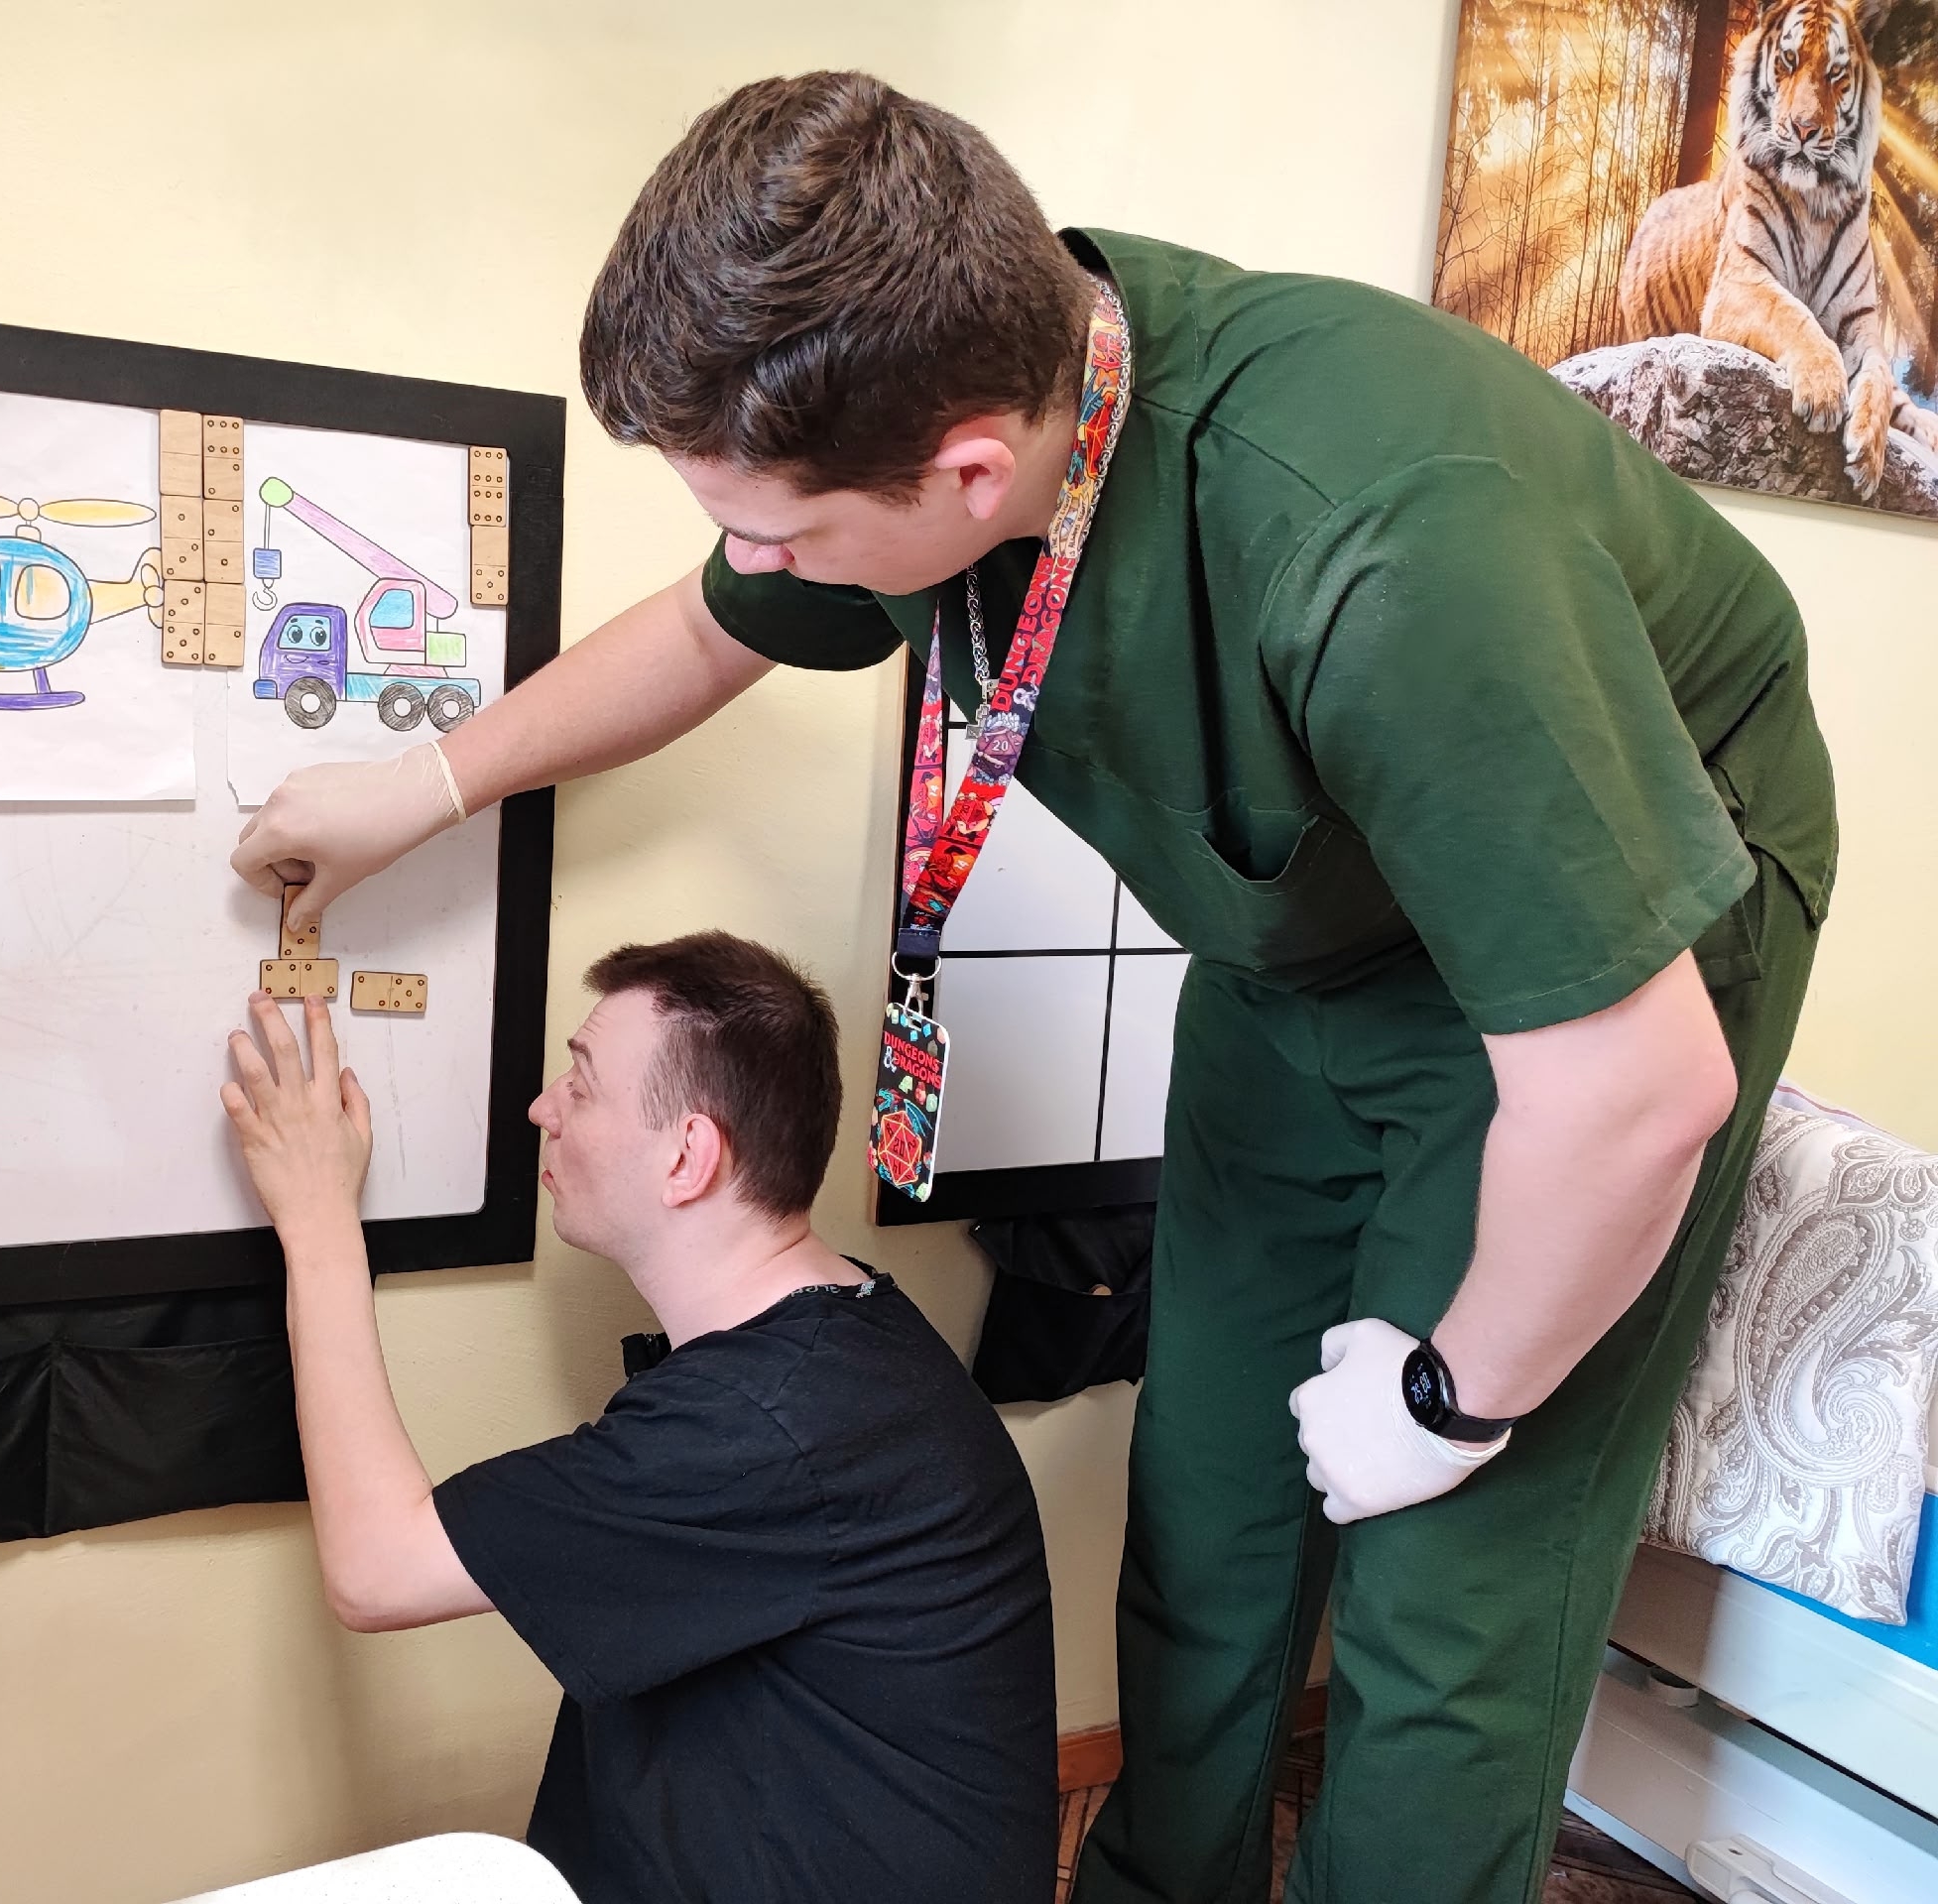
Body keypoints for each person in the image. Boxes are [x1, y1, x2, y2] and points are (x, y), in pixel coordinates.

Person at [227, 71, 1836, 1904]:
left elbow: (1639, 1094)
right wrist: (420, 790)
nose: (754, 566)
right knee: (1213, 1503)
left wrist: (1453, 1395)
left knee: (1444, 1599)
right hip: (1303, 932)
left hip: (1598, 953)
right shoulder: (962, 393)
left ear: (971, 472)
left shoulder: (1391, 544)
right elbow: (704, 632)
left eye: (780, 533)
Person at [219, 930, 1056, 1904]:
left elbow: (375, 1570)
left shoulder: (764, 1424)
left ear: (687, 1157)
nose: (543, 1109)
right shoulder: (846, 1334)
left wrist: (317, 1214)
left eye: (580, 1085)